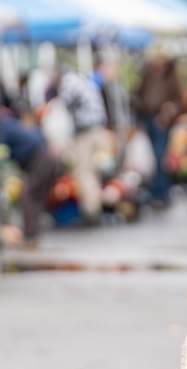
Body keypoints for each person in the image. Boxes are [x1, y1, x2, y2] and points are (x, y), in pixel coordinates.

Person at [53, 69, 109, 221]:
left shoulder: (68, 82)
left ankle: (91, 211)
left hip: (86, 132)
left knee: (84, 171)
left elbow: (64, 106)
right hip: (100, 129)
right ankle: (98, 206)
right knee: (96, 171)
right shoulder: (83, 80)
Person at [0, 112, 60, 245]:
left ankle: (30, 237)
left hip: (41, 160)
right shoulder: (13, 123)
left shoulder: (2, 127)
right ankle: (33, 234)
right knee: (36, 197)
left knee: (28, 196)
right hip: (49, 157)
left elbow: (2, 152)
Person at [133, 56, 182, 206]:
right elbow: (137, 95)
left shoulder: (171, 77)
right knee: (151, 157)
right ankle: (154, 191)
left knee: (160, 156)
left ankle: (162, 192)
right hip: (148, 117)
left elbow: (178, 100)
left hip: (162, 121)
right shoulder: (147, 74)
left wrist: (167, 113)